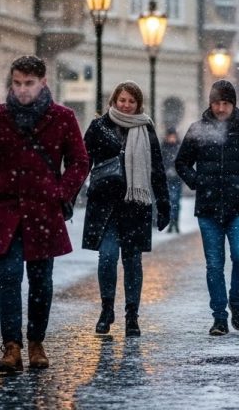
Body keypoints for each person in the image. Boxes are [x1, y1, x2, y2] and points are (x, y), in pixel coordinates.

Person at [0, 56, 89, 372]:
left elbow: (79, 161)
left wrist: (61, 193)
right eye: (17, 83)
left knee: (41, 282)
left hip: (43, 211)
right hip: (6, 210)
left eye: (29, 84)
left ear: (43, 83)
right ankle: (12, 347)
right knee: (8, 279)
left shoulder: (62, 117)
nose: (22, 90)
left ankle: (36, 342)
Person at [175, 80, 239, 336]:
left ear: (233, 104)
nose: (220, 108)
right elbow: (182, 162)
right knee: (214, 265)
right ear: (210, 103)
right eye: (216, 103)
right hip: (208, 207)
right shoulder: (198, 129)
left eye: (225, 103)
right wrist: (197, 182)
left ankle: (236, 299)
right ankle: (219, 316)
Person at [82, 81, 170, 337]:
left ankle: (132, 316)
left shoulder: (146, 128)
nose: (126, 105)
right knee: (108, 257)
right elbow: (84, 162)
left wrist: (164, 204)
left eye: (131, 101)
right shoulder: (99, 127)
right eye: (122, 100)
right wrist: (68, 194)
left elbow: (156, 169)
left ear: (138, 104)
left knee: (133, 262)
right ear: (114, 101)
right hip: (105, 205)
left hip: (135, 207)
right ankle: (106, 310)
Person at [160, 128, 183, 234]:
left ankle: (175, 223)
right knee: (170, 202)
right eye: (171, 136)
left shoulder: (179, 147)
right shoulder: (163, 148)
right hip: (167, 179)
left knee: (176, 202)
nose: (172, 139)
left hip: (176, 179)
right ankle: (171, 223)